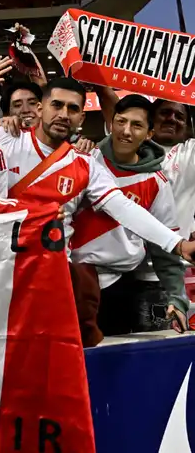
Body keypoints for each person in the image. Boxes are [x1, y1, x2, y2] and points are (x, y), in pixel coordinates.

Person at [0, 78, 195, 344]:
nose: (64, 114)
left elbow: (122, 207)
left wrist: (177, 244)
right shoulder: (3, 136)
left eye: (72, 109)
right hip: (0, 272)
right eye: (57, 105)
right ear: (40, 108)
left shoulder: (86, 165)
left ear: (81, 117)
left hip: (54, 281)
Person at [70, 95, 188, 335]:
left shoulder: (156, 183)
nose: (126, 131)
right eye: (121, 121)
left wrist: (177, 298)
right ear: (110, 124)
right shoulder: (83, 160)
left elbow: (164, 247)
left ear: (149, 134)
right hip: (70, 281)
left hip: (119, 287)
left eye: (137, 125)